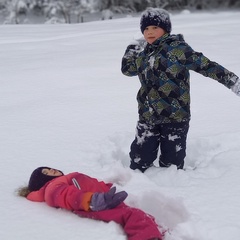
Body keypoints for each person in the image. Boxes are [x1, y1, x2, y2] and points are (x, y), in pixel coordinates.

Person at [121, 8, 240, 172]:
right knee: (139, 161)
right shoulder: (143, 54)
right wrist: (133, 47)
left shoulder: (178, 49)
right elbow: (127, 70)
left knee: (172, 166)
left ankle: (173, 191)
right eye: (146, 29)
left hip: (175, 117)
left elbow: (207, 66)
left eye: (155, 27)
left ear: (166, 29)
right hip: (147, 116)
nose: (149, 32)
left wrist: (233, 82)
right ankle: (141, 187)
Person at [17, 166, 162, 240]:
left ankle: (157, 231)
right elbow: (69, 196)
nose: (51, 170)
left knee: (137, 215)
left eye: (49, 168)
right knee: (132, 215)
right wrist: (94, 201)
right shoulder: (52, 188)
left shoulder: (63, 180)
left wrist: (106, 189)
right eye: (46, 172)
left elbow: (90, 184)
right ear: (43, 181)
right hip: (93, 206)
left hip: (102, 200)